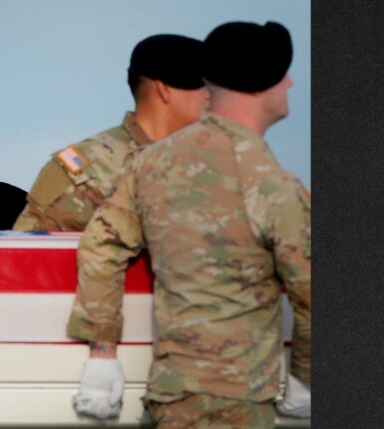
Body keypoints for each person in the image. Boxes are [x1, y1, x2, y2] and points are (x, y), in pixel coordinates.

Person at [67, 21, 310, 428]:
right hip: (237, 405)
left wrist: (103, 356)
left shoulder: (151, 163)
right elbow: (310, 293)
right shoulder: (271, 184)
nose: (288, 82)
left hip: (168, 395)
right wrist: (305, 376)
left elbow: (100, 248)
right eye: (279, 73)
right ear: (256, 85)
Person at [13, 34, 209, 231]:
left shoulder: (213, 162)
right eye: (205, 86)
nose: (211, 97)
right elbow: (27, 256)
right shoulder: (84, 172)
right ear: (164, 89)